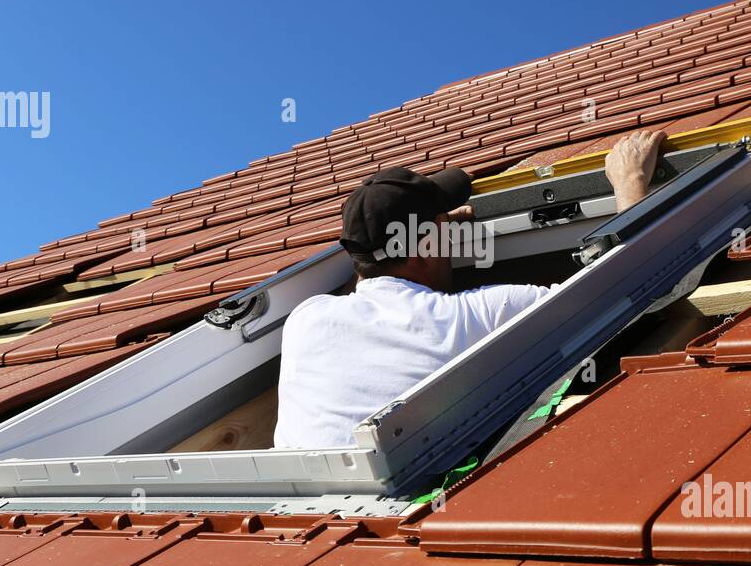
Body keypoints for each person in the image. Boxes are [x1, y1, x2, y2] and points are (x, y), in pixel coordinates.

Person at [272, 130, 665, 449]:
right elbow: (617, 287)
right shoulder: (480, 314)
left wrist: (427, 236)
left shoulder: (306, 319)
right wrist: (630, 185)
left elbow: (367, 279)